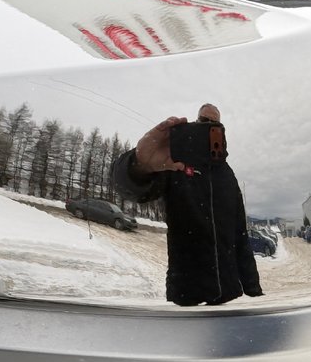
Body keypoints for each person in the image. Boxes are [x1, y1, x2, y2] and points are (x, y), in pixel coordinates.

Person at [112, 104, 262, 306]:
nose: (208, 126)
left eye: (214, 122)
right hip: (186, 290)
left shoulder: (227, 175)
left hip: (226, 292)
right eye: (203, 121)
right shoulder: (176, 164)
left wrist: (253, 290)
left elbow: (240, 234)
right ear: (195, 121)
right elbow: (136, 191)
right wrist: (140, 165)